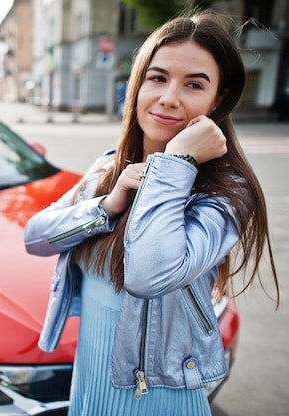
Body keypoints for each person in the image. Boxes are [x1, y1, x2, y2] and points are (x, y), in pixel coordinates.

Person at [24, 9, 279, 416]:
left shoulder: (226, 193)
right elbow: (35, 237)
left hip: (154, 398)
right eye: (157, 78)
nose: (168, 98)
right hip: (89, 387)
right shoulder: (109, 168)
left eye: (194, 84)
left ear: (219, 99)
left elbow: (149, 275)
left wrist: (175, 162)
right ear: (137, 84)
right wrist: (108, 205)